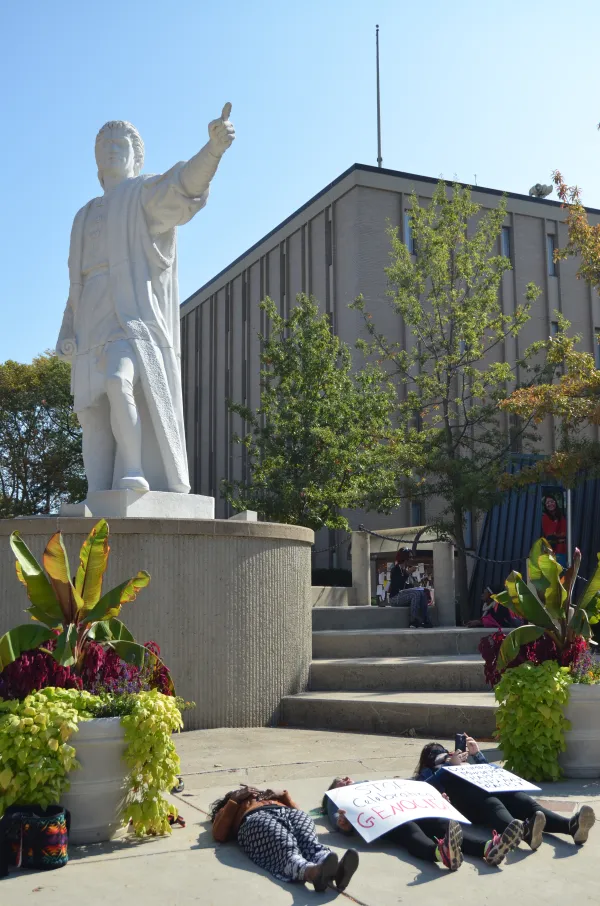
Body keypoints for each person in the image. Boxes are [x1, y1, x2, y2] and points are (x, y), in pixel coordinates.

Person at [415, 736, 596, 850]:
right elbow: (422, 789)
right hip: (467, 798)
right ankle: (525, 832)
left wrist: (476, 755)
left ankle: (570, 826)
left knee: (521, 800)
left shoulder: (462, 761)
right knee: (491, 802)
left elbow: (493, 773)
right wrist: (448, 766)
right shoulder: (429, 772)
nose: (446, 755)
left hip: (486, 787)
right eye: (439, 755)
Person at [324, 776, 519, 869]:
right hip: (387, 819)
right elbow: (337, 820)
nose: (346, 779)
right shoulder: (335, 798)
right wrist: (344, 824)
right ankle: (440, 852)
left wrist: (435, 798)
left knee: (442, 825)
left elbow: (410, 786)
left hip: (410, 808)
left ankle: (487, 848)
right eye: (340, 780)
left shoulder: (370, 784)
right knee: (410, 831)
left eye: (347, 777)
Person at [210, 785, 359, 892]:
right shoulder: (232, 805)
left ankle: (333, 867)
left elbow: (298, 811)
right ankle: (311, 872)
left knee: (308, 840)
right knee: (284, 846)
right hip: (256, 819)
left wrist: (282, 795)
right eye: (243, 792)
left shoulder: (273, 798)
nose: (252, 792)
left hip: (287, 813)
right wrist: (234, 800)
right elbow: (219, 834)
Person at [387, 550, 431, 628]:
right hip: (395, 598)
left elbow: (407, 586)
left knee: (422, 592)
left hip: (402, 596)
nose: (411, 559)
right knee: (415, 594)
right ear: (404, 558)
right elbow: (398, 585)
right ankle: (413, 621)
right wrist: (408, 573)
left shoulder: (404, 570)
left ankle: (425, 619)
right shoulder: (395, 570)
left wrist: (418, 585)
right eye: (410, 557)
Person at [541, 493, 568, 567]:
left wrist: (556, 536)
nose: (550, 504)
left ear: (555, 502)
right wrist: (555, 524)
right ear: (545, 505)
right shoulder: (545, 517)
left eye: (552, 501)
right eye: (547, 502)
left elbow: (564, 533)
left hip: (561, 550)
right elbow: (549, 534)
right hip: (550, 550)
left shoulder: (561, 516)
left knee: (562, 573)